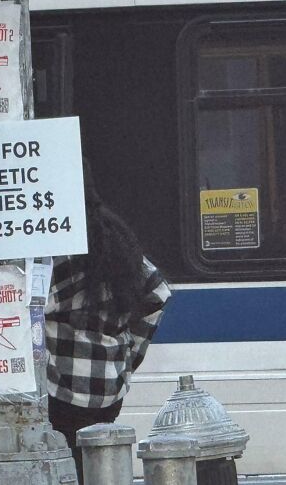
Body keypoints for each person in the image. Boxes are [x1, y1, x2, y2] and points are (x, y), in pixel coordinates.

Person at [45, 161, 172, 481]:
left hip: (61, 385)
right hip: (110, 387)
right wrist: (128, 356)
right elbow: (157, 292)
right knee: (96, 466)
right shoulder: (116, 237)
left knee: (64, 468)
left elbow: (34, 306)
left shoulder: (61, 247)